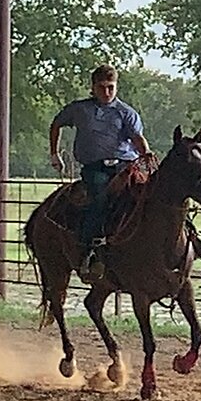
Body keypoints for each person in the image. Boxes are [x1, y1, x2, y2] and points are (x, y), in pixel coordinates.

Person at [49, 64, 149, 281]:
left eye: (111, 87)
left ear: (116, 87)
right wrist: (54, 154)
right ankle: (89, 250)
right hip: (95, 167)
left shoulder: (126, 113)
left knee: (147, 196)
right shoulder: (79, 110)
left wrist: (147, 156)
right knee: (99, 200)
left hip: (125, 165)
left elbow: (137, 139)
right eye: (102, 87)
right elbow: (56, 124)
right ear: (93, 87)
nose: (107, 92)